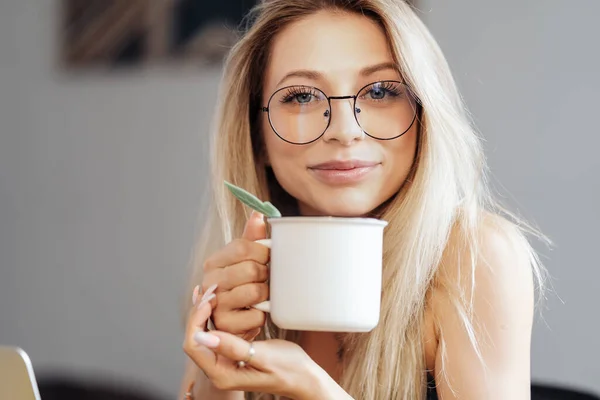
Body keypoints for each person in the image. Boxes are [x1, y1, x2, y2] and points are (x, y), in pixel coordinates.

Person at [180, 0, 547, 399]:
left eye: (380, 91)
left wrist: (317, 391)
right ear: (257, 136)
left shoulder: (474, 257)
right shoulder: (239, 273)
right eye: (302, 97)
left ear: (425, 115)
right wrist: (220, 368)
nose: (345, 130)